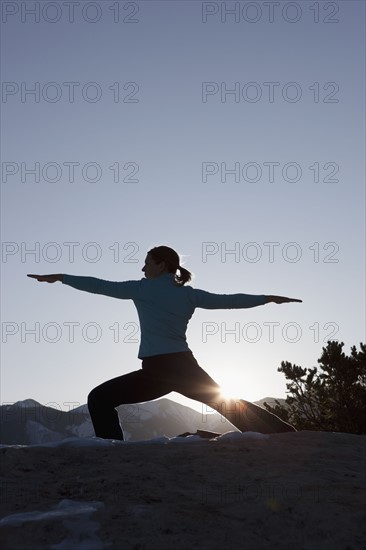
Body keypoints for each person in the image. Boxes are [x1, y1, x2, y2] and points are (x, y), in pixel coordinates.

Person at [27, 245, 302, 439]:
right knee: (226, 402)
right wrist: (266, 298)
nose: (143, 267)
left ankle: (112, 452)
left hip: (159, 369)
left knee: (99, 399)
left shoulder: (141, 288)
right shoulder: (190, 294)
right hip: (181, 365)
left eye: (147, 262)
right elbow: (229, 301)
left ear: (161, 265)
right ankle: (285, 434)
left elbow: (99, 285)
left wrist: (61, 278)